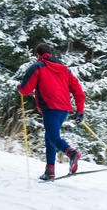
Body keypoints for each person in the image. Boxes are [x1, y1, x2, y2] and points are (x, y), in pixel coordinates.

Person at [17, 43, 86, 180]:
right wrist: (80, 111)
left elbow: (26, 89)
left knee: (54, 138)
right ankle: (50, 171)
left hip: (50, 107)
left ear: (38, 55)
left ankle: (72, 153)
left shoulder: (38, 67)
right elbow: (78, 90)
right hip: (64, 109)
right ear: (50, 53)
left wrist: (20, 87)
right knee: (50, 138)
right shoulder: (65, 70)